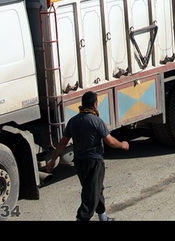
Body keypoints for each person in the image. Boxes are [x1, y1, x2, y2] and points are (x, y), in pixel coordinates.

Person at [46, 91, 129, 221]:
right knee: (91, 194)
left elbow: (62, 143)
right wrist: (123, 145)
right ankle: (81, 218)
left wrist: (53, 160)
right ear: (95, 105)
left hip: (79, 163)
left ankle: (103, 217)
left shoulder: (73, 121)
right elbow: (111, 142)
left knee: (96, 189)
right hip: (94, 162)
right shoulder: (96, 121)